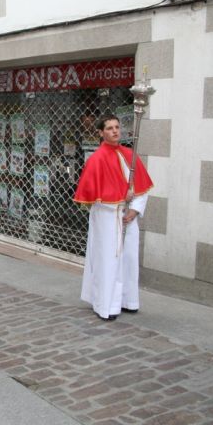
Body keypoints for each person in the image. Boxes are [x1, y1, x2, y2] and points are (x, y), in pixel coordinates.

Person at [74, 113, 153, 321]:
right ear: (101, 133)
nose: (115, 131)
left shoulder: (129, 155)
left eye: (117, 127)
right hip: (107, 219)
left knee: (128, 258)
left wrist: (134, 209)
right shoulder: (96, 160)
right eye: (109, 128)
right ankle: (106, 305)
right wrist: (119, 199)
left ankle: (128, 301)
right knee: (108, 259)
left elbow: (142, 189)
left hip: (129, 217)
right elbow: (92, 197)